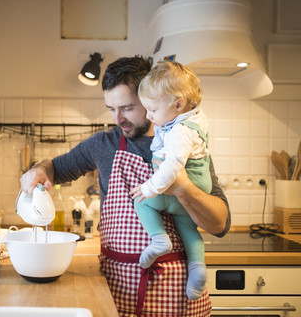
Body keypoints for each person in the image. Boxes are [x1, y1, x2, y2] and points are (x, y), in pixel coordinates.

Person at [20, 55, 230, 316]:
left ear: (149, 97)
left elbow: (220, 224)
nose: (117, 119)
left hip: (177, 296)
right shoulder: (103, 145)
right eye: (111, 108)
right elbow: (54, 168)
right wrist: (39, 169)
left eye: (127, 108)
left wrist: (183, 188)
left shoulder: (189, 145)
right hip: (118, 291)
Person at [129, 61, 210, 301]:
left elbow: (174, 166)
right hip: (197, 188)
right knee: (188, 228)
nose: (148, 115)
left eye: (152, 109)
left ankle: (159, 239)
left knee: (141, 201)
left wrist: (149, 188)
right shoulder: (192, 120)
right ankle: (197, 269)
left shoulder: (180, 132)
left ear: (177, 103)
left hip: (179, 188)